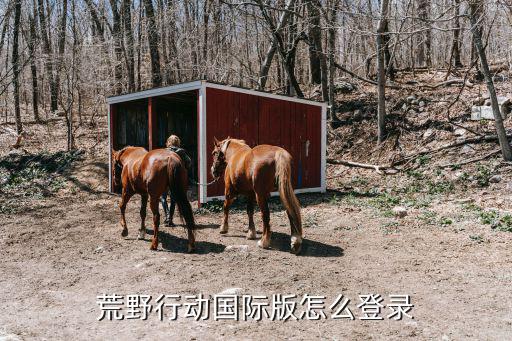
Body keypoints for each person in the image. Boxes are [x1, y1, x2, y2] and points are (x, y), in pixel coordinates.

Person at [161, 135, 192, 227]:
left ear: (168, 142)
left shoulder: (164, 152)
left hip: (164, 177)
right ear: (178, 143)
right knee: (173, 198)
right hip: (176, 178)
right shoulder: (181, 152)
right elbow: (189, 162)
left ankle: (166, 216)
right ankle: (170, 218)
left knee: (163, 197)